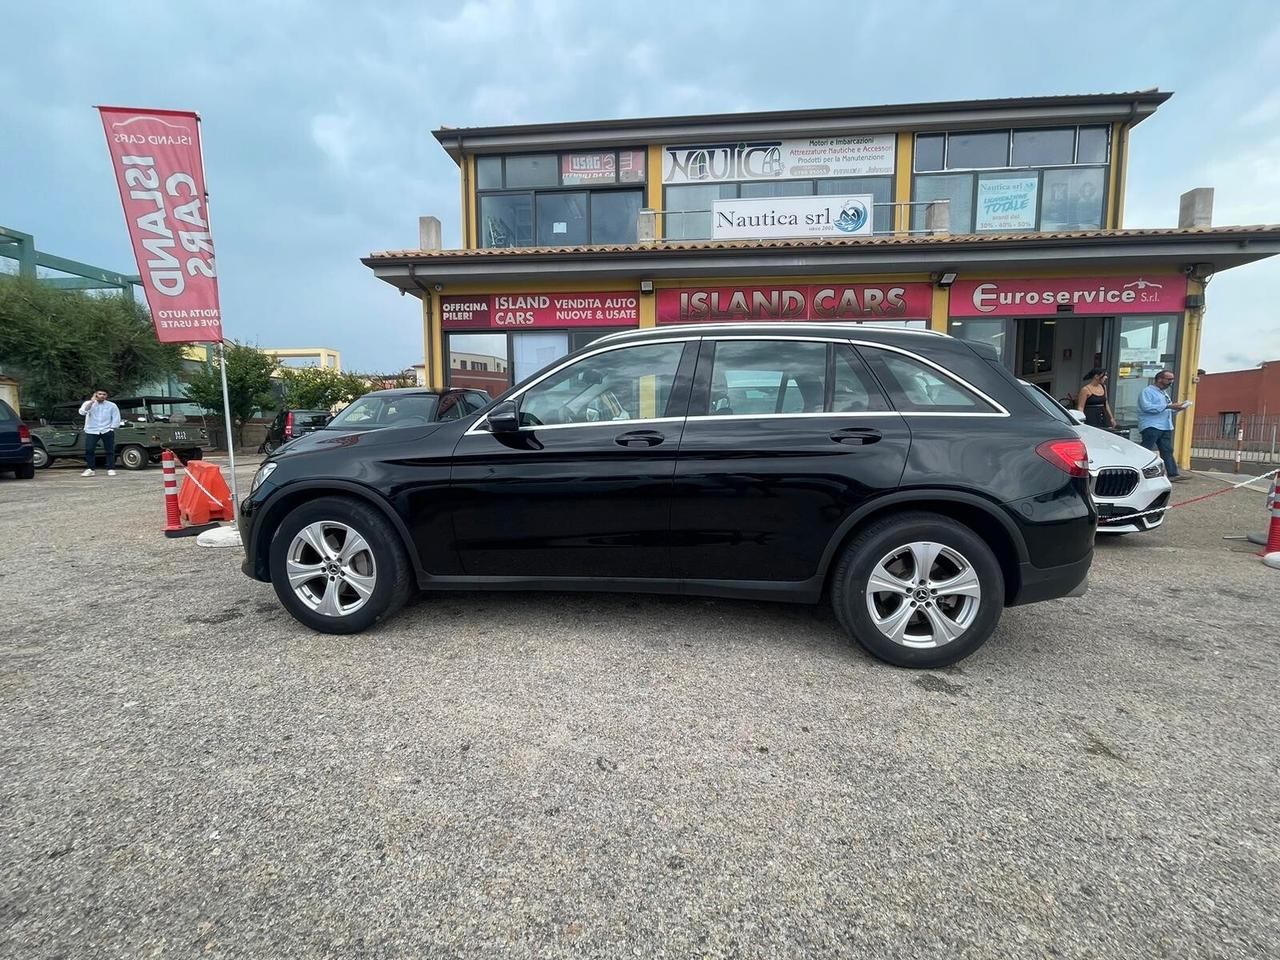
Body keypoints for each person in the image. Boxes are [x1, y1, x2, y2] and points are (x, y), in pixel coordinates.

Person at [1137, 369, 1189, 482]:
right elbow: (1147, 407)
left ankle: (1173, 474)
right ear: (1160, 379)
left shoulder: (1164, 393)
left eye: (1172, 379)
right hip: (1151, 425)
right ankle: (1139, 471)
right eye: (1169, 379)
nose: (1171, 382)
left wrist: (1178, 408)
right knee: (1146, 449)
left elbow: (1167, 409)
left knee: (1167, 450)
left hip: (1165, 426)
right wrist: (1168, 406)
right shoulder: (1147, 391)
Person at [78, 389, 122, 477]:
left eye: (104, 394)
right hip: (92, 430)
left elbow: (116, 417)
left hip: (106, 429)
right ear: (95, 394)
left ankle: (111, 468)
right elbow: (82, 412)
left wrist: (112, 428)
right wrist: (91, 402)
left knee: (109, 450)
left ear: (107, 396)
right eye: (99, 394)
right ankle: (90, 469)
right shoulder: (88, 403)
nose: (102, 396)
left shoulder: (112, 405)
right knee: (89, 449)